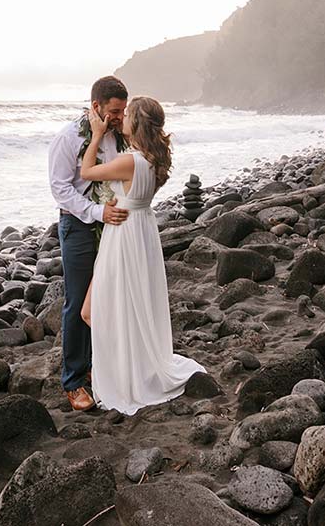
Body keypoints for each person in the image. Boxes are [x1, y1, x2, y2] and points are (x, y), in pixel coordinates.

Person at [79, 95, 206, 415]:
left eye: (127, 116)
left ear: (136, 123)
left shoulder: (131, 161)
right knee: (126, 304)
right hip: (140, 230)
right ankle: (127, 366)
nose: (122, 120)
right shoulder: (153, 159)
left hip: (123, 233)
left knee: (97, 310)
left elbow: (86, 171)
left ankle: (122, 376)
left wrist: (95, 135)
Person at [48, 76, 129, 412]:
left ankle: (101, 366)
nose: (119, 117)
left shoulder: (118, 137)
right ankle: (73, 381)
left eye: (123, 111)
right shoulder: (67, 138)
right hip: (79, 225)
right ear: (96, 106)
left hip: (112, 225)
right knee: (78, 302)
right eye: (114, 111)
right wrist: (98, 212)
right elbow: (60, 188)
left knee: (107, 296)